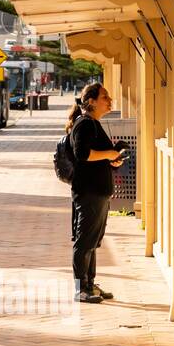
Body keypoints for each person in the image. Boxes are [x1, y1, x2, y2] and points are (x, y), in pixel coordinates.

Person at [66, 82, 128, 304]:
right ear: (90, 101)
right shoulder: (84, 125)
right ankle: (79, 288)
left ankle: (90, 284)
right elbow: (83, 154)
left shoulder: (94, 124)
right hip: (88, 192)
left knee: (93, 241)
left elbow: (98, 156)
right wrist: (109, 153)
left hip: (99, 192)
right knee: (83, 242)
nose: (109, 100)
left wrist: (113, 159)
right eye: (105, 97)